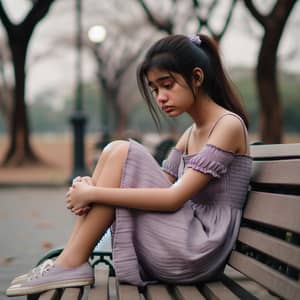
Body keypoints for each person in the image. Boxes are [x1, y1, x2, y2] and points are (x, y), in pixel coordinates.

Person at [6, 33, 252, 297]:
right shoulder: (192, 133)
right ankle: (70, 260)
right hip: (184, 237)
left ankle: (70, 262)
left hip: (199, 250)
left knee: (123, 150)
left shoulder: (228, 125)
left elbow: (171, 199)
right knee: (115, 150)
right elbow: (158, 184)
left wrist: (94, 193)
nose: (160, 97)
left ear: (197, 77)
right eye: (155, 89)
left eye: (167, 85)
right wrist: (93, 183)